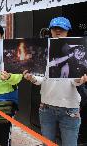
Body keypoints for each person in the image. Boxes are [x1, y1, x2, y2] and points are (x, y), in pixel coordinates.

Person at [23, 17, 87, 146]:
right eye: (54, 28)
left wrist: (80, 80)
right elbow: (41, 78)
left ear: (67, 31)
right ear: (50, 30)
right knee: (47, 143)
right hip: (46, 107)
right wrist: (32, 78)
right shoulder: (44, 51)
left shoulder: (78, 49)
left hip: (70, 109)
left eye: (62, 29)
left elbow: (75, 81)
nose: (58, 31)